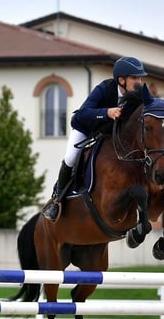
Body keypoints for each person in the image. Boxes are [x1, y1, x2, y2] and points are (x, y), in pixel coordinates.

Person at [41, 56, 148, 222]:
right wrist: (107, 112)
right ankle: (56, 200)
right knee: (71, 157)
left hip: (109, 135)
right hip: (86, 128)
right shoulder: (104, 88)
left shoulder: (139, 96)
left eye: (140, 78)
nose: (139, 82)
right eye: (135, 77)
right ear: (121, 80)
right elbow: (83, 113)